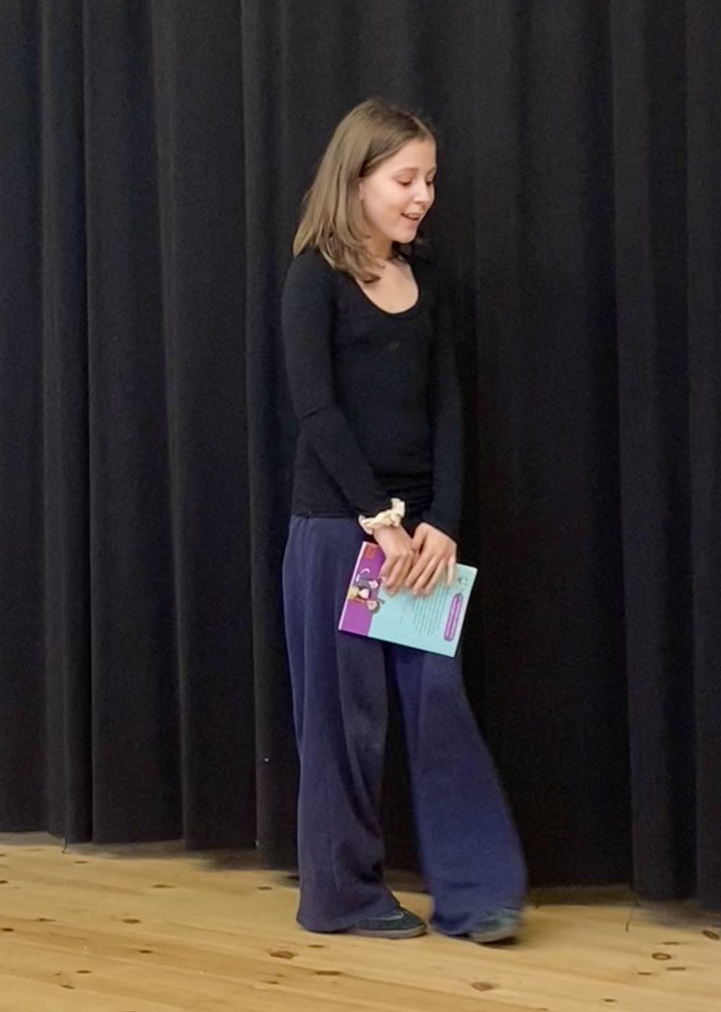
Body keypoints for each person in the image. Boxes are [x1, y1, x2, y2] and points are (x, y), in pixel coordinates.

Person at [280, 97, 527, 943]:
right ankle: (339, 898)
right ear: (357, 180)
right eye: (406, 179)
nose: (423, 196)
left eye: (430, 180)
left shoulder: (432, 281)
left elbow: (450, 406)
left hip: (419, 542)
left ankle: (477, 895)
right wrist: (377, 520)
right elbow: (316, 411)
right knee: (343, 721)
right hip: (340, 532)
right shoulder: (314, 277)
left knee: (437, 708)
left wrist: (441, 522)